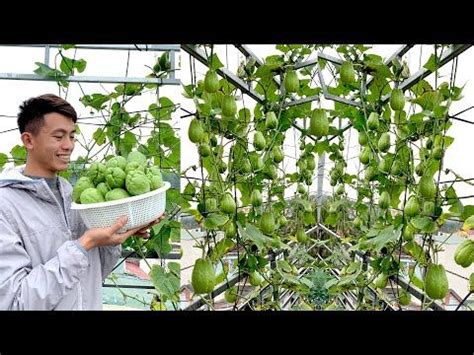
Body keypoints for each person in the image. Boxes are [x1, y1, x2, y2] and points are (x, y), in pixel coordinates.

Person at [0, 93, 163, 310]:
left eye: (72, 136)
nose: (68, 145)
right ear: (28, 140)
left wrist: (115, 237)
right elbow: (14, 302)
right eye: (59, 137)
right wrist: (84, 244)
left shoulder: (73, 197)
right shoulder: (6, 205)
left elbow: (92, 276)